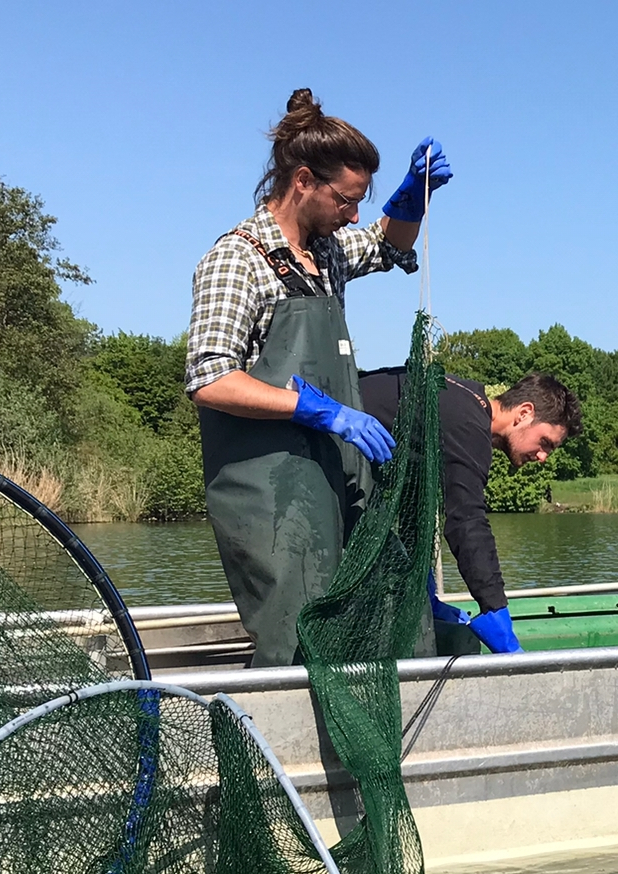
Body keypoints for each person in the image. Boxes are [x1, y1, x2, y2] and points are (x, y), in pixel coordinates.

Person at [184, 88, 451, 666]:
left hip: (332, 480)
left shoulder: (324, 252)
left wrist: (411, 199)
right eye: (346, 199)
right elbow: (209, 380)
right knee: (295, 636)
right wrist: (316, 410)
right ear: (303, 180)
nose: (353, 214)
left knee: (363, 614)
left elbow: (384, 245)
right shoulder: (238, 259)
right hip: (271, 498)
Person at [357, 370, 583, 653]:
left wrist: (425, 595)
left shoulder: (462, 399)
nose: (543, 457)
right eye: (546, 442)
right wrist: (494, 606)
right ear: (525, 413)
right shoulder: (469, 425)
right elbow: (466, 521)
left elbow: (414, 504)